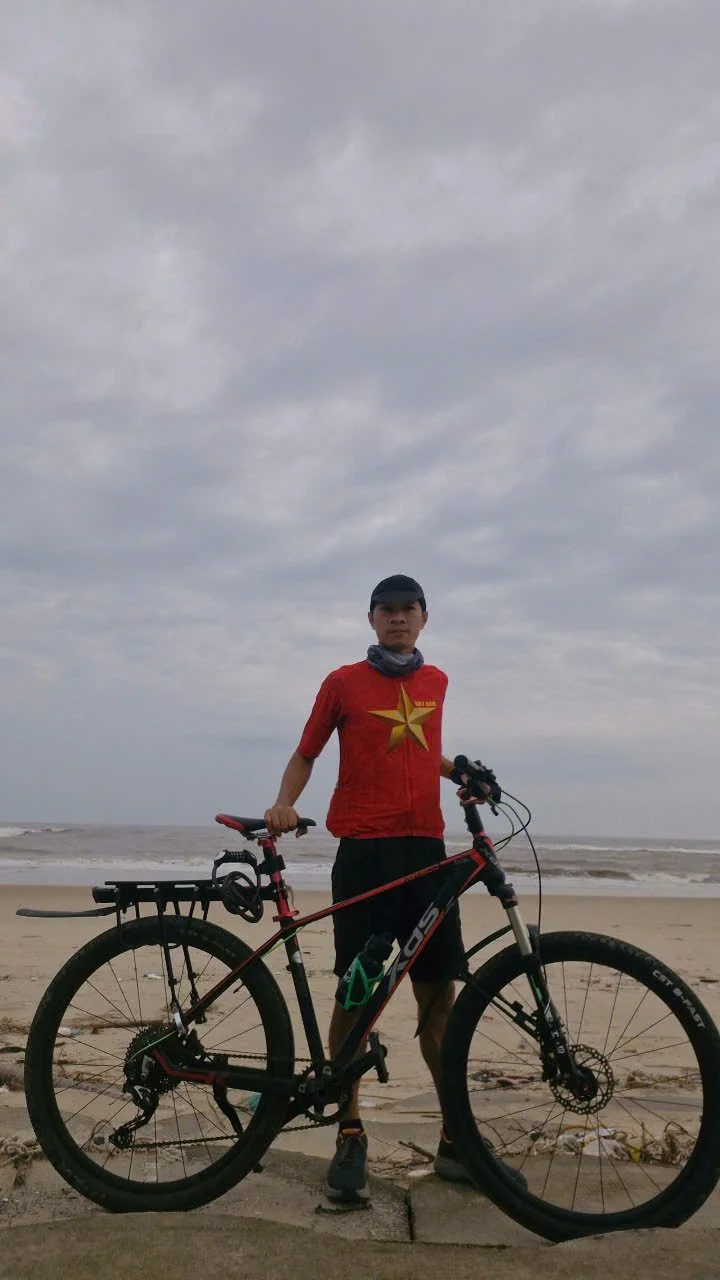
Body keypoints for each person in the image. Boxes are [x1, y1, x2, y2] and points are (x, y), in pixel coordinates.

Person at [264, 575, 497, 1204]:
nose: (398, 618)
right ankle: (349, 1129)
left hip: (425, 853)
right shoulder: (343, 682)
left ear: (424, 617)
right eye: (387, 610)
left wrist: (460, 771)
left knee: (437, 999)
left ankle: (454, 1138)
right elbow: (307, 752)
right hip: (364, 854)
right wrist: (284, 802)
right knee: (357, 991)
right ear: (371, 619)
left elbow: (420, 747)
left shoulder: (436, 682)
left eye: (407, 609)